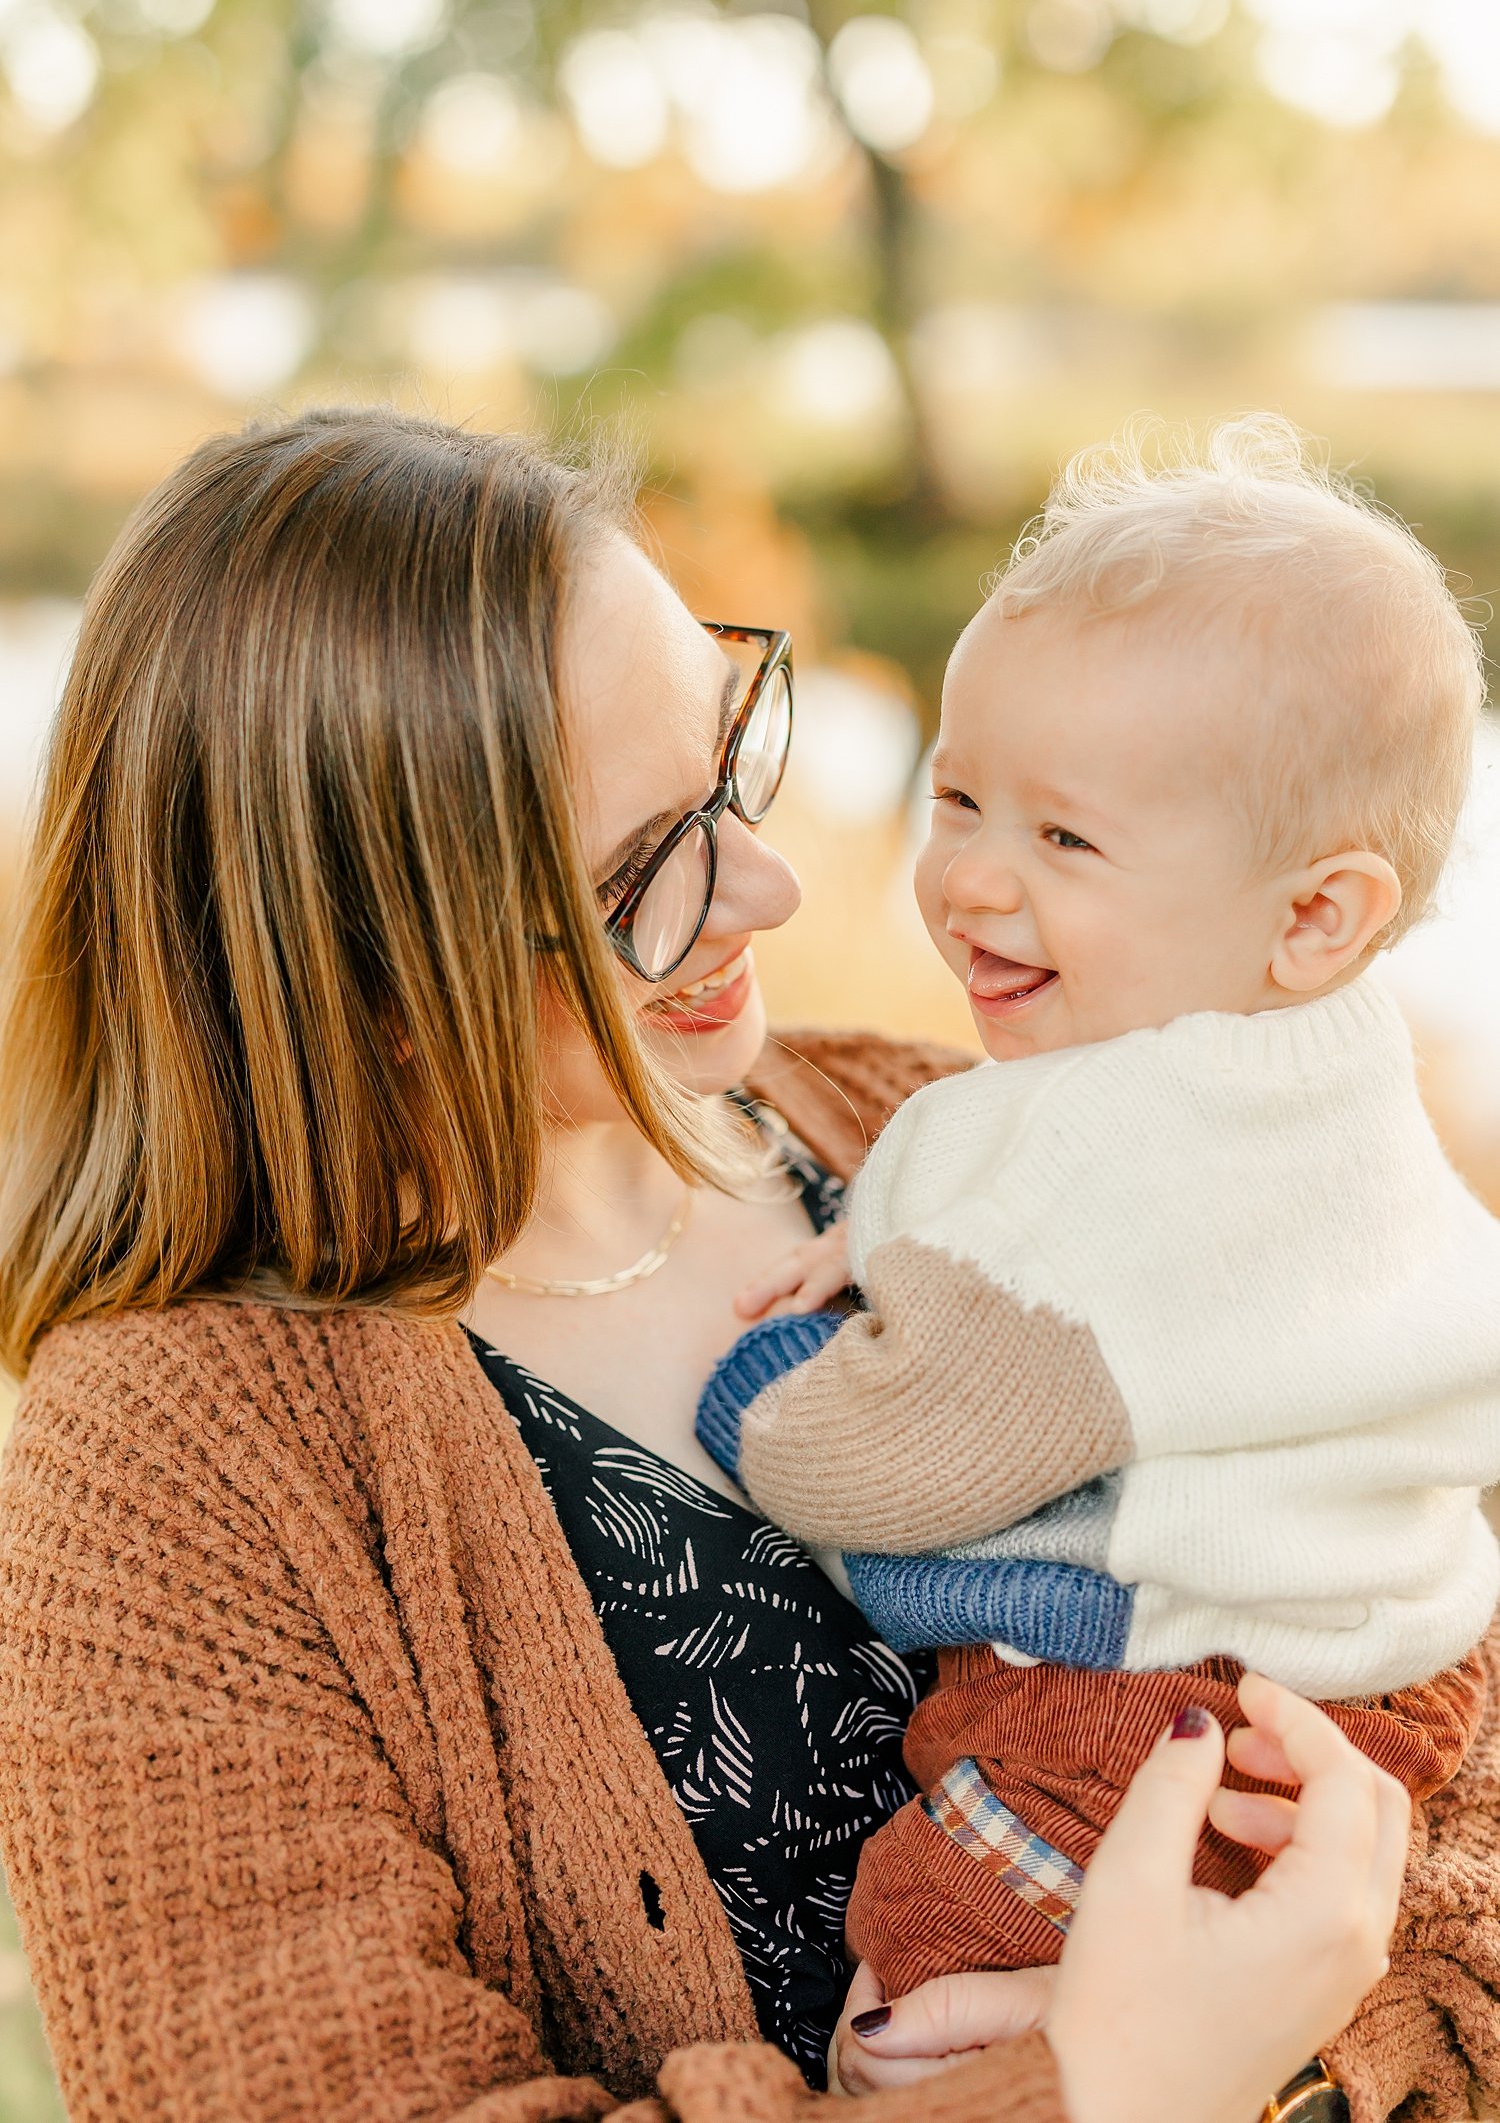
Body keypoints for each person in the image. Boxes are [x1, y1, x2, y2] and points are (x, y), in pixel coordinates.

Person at [0, 407, 1490, 2123]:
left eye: (730, 761)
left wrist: (1325, 2046)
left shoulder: (942, 1125)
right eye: (647, 868)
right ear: (369, 952)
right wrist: (1117, 2088)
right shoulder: (173, 1472)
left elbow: (1435, 1695)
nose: (771, 885)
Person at [694, 417, 1500, 2000]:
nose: (974, 882)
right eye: (960, 798)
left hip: (1155, 1708)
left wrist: (750, 1400)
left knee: (934, 1943)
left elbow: (895, 1455)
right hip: (1395, 1672)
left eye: (1066, 836)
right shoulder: (1330, 1081)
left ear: (1317, 914)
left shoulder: (1096, 1161)